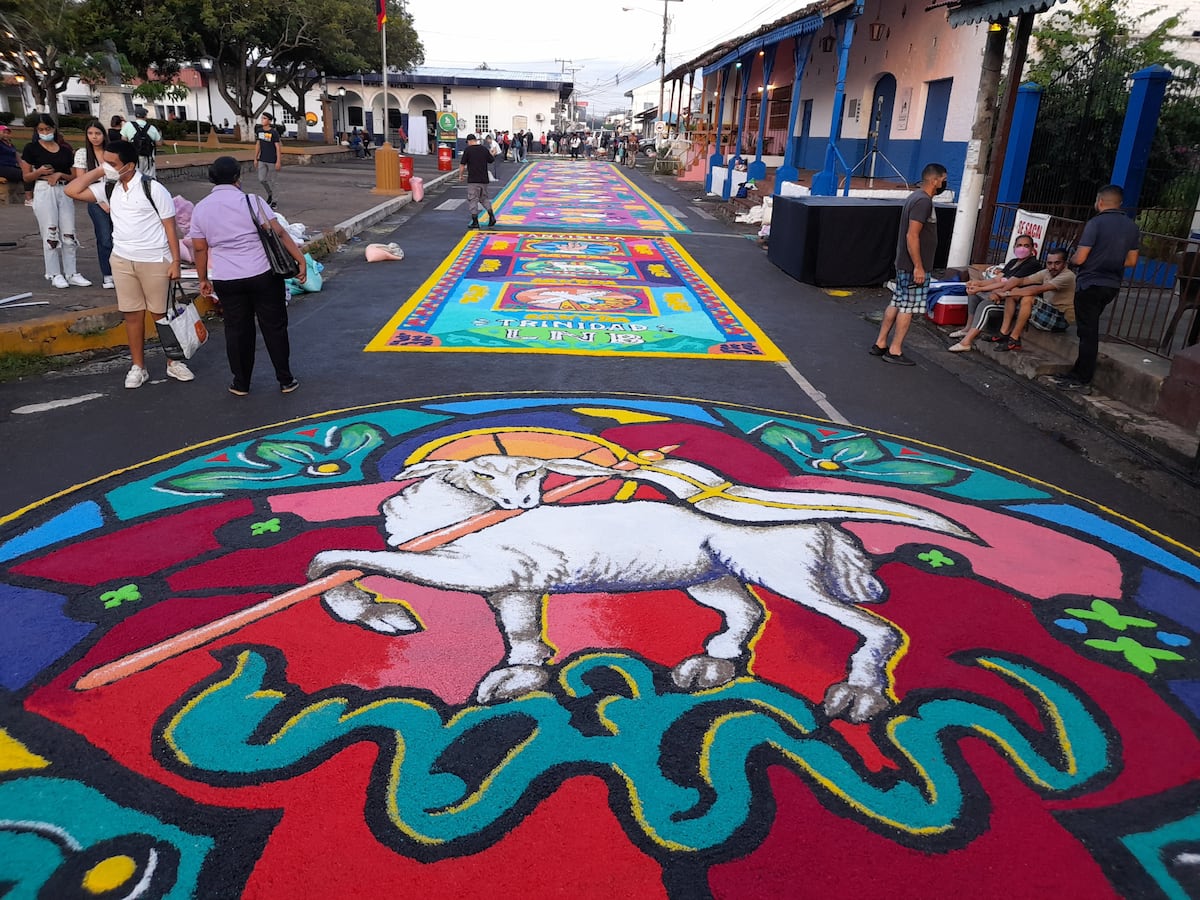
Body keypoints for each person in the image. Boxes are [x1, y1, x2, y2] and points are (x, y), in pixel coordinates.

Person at [66, 140, 192, 388]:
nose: (109, 167)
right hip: (123, 259)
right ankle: (138, 366)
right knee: (132, 314)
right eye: (106, 162)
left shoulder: (153, 189)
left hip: (155, 259)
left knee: (161, 314)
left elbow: (170, 227)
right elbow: (72, 190)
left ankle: (173, 362)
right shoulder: (109, 187)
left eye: (113, 164)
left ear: (130, 165)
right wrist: (102, 169)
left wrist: (176, 262)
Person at [189, 155, 305, 396]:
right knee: (274, 326)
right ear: (237, 178)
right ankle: (285, 379)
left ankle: (241, 383)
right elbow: (280, 233)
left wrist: (203, 279)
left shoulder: (201, 208)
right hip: (262, 273)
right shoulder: (253, 201)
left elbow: (200, 248)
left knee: (237, 330)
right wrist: (299, 259)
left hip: (226, 278)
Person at [1050, 184, 1141, 392]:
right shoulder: (1131, 227)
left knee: (1087, 333)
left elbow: (1081, 257)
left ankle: (1082, 378)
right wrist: (1112, 260)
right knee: (1088, 330)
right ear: (1119, 203)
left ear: (1100, 202)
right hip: (1111, 285)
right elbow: (1132, 261)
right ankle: (1077, 371)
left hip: (1090, 282)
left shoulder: (1096, 223)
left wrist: (1072, 259)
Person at [871, 162, 949, 365]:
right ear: (934, 180)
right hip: (913, 266)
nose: (944, 183)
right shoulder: (923, 202)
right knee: (907, 306)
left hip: (906, 263)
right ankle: (894, 350)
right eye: (943, 179)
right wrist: (919, 266)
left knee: (897, 301)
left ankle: (880, 343)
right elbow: (912, 235)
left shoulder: (915, 198)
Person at [21, 114, 89, 289]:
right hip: (44, 189)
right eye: (41, 130)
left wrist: (59, 174)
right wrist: (40, 172)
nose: (45, 132)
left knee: (69, 231)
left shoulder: (65, 149)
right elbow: (26, 175)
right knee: (50, 231)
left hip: (63, 188)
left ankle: (71, 272)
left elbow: (73, 174)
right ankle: (54, 273)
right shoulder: (31, 149)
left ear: (53, 128)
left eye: (48, 129)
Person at [946, 233, 1044, 352]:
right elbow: (997, 279)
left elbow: (1008, 283)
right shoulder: (1013, 262)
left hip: (1013, 301)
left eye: (1026, 245)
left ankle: (966, 342)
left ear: (1032, 248)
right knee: (973, 295)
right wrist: (977, 283)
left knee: (985, 306)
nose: (1022, 248)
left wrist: (983, 289)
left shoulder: (1032, 264)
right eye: (1019, 245)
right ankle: (967, 329)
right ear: (1014, 247)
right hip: (1002, 294)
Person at [72, 120, 115, 289]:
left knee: (119, 237)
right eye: (90, 134)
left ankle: (120, 272)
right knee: (104, 238)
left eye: (97, 133)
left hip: (115, 197)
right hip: (95, 199)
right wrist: (100, 201)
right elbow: (81, 180)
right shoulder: (83, 154)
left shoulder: (111, 152)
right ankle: (107, 273)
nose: (94, 137)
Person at [458, 133, 497, 230]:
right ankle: (491, 215)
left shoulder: (468, 150)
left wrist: (461, 175)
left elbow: (462, 164)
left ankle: (475, 221)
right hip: (484, 179)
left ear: (470, 141)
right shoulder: (484, 149)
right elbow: (491, 160)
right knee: (484, 198)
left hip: (473, 179)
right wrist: (492, 153)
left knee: (473, 199)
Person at [120, 106, 161, 178]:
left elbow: (123, 140)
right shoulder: (151, 127)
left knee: (135, 177)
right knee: (149, 178)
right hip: (148, 157)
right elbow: (159, 143)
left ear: (135, 115)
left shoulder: (128, 125)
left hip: (134, 156)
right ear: (145, 116)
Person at [253, 112, 282, 209]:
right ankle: (270, 194)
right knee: (262, 179)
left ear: (269, 121)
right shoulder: (259, 131)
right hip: (262, 159)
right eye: (262, 118)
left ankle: (274, 201)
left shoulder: (273, 133)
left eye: (265, 118)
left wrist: (278, 161)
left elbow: (278, 147)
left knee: (274, 181)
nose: (262, 120)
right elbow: (258, 145)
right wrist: (255, 158)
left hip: (272, 160)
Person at [0, 124, 30, 206]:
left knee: (28, 173)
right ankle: (28, 198)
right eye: (4, 132)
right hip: (3, 167)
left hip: (12, 166)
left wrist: (24, 167)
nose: (6, 135)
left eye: (8, 133)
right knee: (24, 175)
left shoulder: (11, 145)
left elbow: (18, 159)